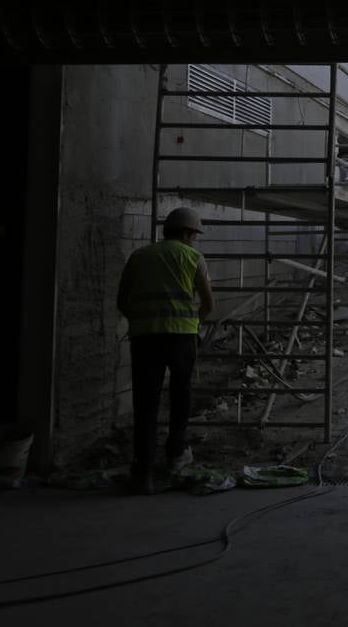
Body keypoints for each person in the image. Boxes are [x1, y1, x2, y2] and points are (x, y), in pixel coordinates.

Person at [117, 207, 214, 495]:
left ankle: (143, 471)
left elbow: (122, 300)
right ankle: (175, 455)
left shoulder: (139, 256)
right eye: (194, 235)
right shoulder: (193, 257)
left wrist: (142, 320)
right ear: (187, 233)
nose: (194, 240)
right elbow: (208, 303)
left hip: (145, 337)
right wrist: (195, 321)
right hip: (182, 337)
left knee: (145, 402)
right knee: (180, 395)